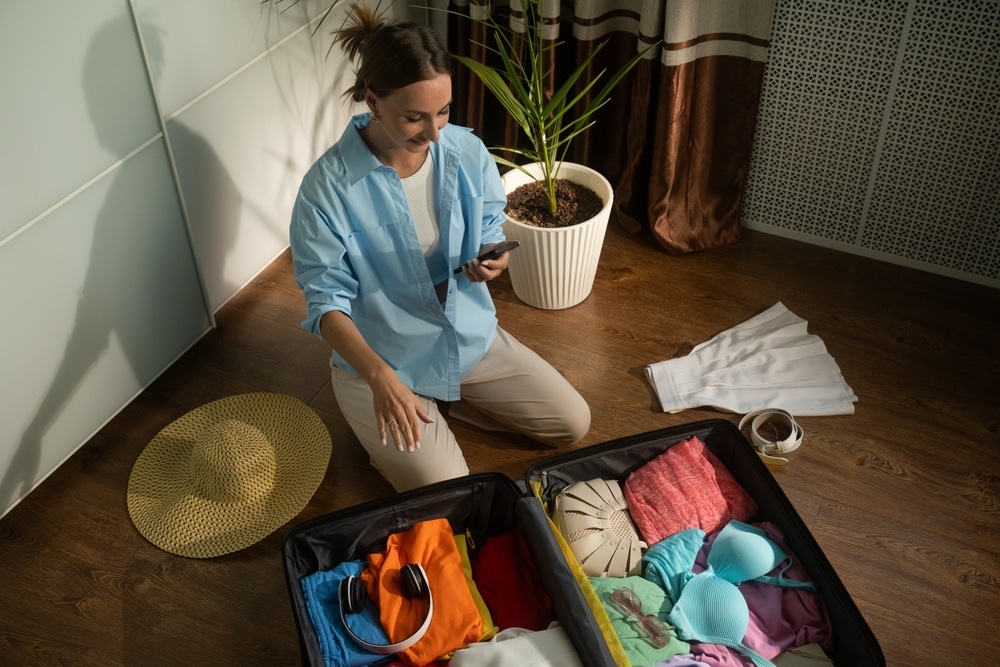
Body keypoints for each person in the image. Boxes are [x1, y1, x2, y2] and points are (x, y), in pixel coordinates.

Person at [288, 3, 591, 492]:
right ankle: (386, 415)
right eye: (414, 118)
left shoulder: (464, 149)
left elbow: (492, 218)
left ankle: (444, 402)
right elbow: (326, 302)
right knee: (447, 486)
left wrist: (496, 254)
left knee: (572, 422)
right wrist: (380, 378)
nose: (434, 133)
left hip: (465, 336)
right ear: (373, 101)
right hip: (384, 359)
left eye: (444, 111)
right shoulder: (326, 189)